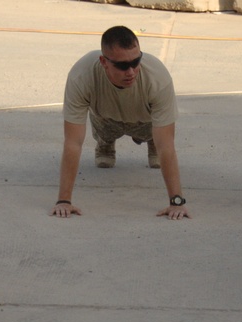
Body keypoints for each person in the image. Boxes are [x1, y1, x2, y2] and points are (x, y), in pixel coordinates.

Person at [50, 25, 190, 221]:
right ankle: (105, 143)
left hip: (146, 122)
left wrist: (176, 202)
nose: (131, 71)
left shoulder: (157, 77)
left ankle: (151, 142)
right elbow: (73, 142)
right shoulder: (81, 75)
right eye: (123, 66)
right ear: (103, 62)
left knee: (158, 143)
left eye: (136, 62)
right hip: (105, 119)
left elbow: (166, 145)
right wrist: (63, 200)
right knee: (104, 140)